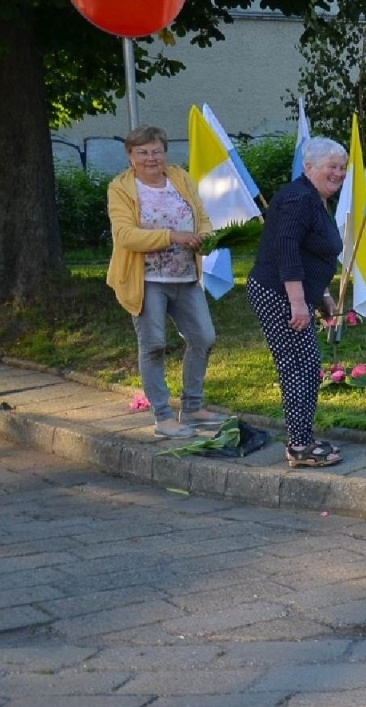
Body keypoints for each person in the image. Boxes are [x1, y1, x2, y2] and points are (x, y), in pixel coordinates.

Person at [105, 125, 218, 439]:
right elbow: (125, 235)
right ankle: (163, 417)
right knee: (153, 345)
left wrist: (205, 236)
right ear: (130, 156)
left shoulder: (180, 177)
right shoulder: (121, 188)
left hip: (185, 275)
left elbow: (201, 217)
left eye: (156, 151)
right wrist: (172, 236)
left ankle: (193, 408)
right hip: (146, 280)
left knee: (204, 338)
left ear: (165, 152)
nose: (150, 158)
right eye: (142, 152)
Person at [246, 137, 348, 468]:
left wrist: (323, 296)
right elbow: (287, 250)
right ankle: (299, 446)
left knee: (305, 365)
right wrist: (297, 302)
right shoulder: (299, 199)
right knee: (298, 366)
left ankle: (302, 438)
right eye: (331, 166)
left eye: (342, 167)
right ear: (308, 166)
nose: (339, 173)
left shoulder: (313, 198)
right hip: (277, 293)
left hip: (292, 294)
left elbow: (311, 253)